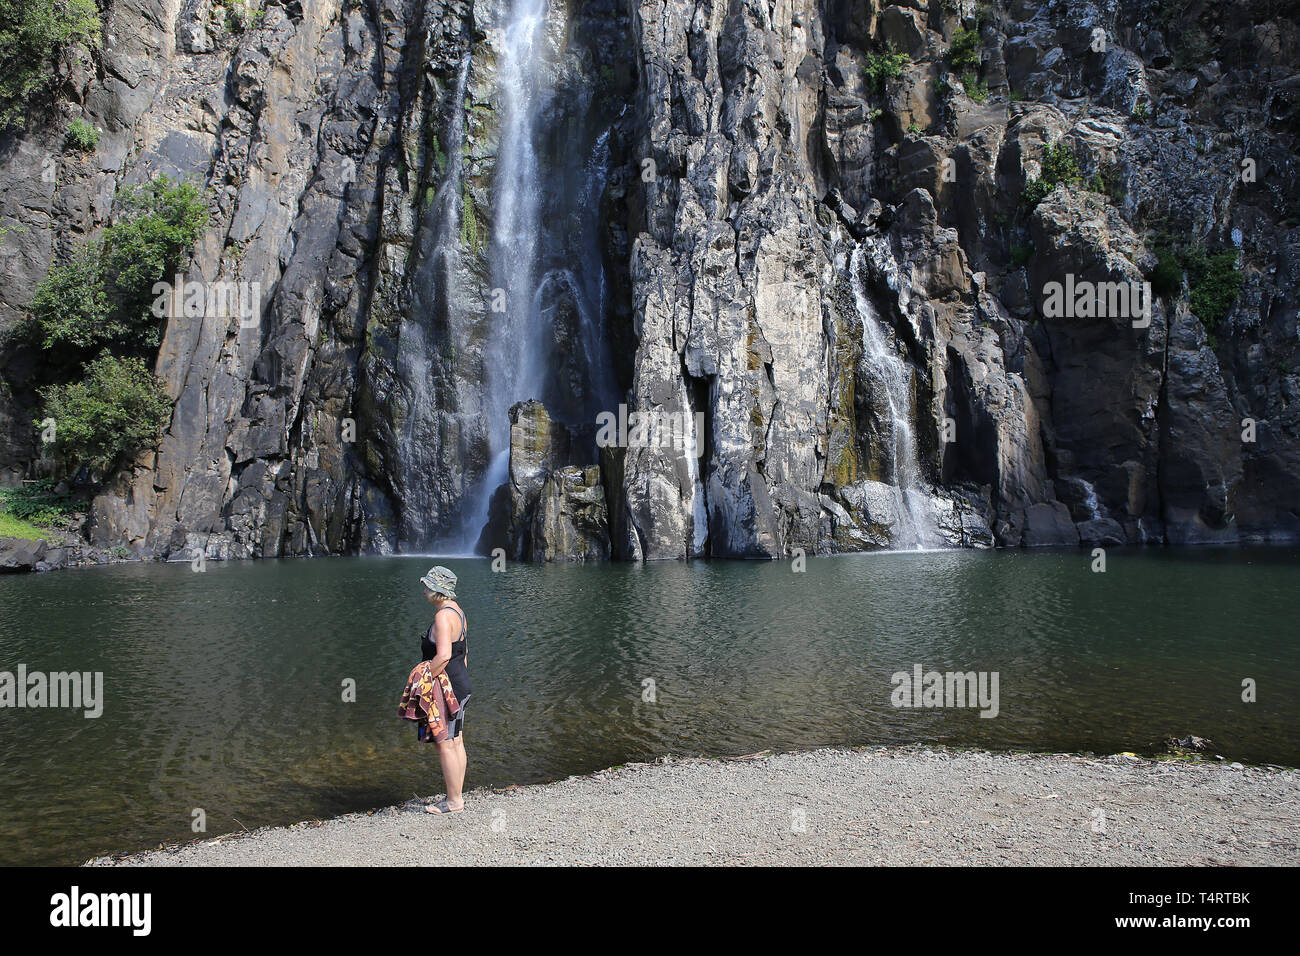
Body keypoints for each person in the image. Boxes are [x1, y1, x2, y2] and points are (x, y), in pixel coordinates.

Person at [417, 565, 471, 814]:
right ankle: (456, 795)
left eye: (427, 586)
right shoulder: (458, 612)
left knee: (446, 743)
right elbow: (464, 652)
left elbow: (444, 655)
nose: (424, 590)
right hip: (461, 684)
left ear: (438, 590)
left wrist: (424, 680)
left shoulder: (442, 616)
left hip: (447, 687)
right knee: (456, 740)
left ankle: (453, 801)